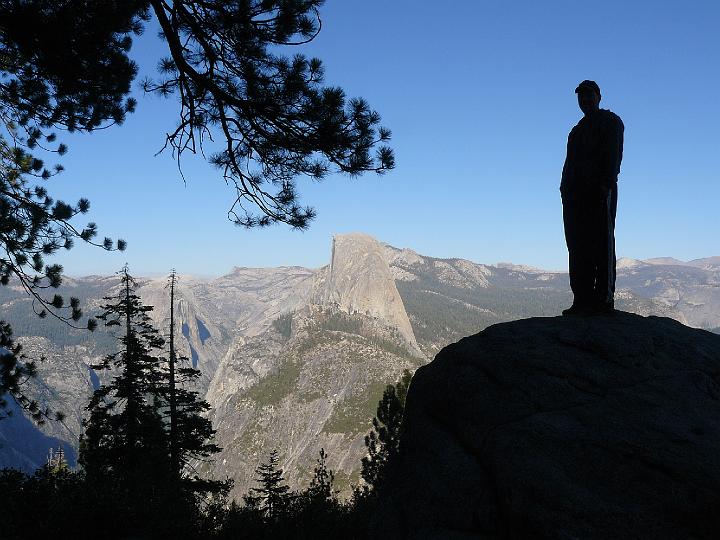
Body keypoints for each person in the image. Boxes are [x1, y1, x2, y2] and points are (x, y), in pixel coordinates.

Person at [560, 80, 624, 315]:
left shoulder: (610, 121)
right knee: (577, 246)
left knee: (602, 244)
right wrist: (565, 189)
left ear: (599, 97)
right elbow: (569, 163)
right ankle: (582, 299)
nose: (585, 100)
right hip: (574, 196)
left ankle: (604, 300)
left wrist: (605, 185)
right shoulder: (576, 131)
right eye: (581, 96)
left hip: (599, 192)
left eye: (589, 95)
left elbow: (614, 156)